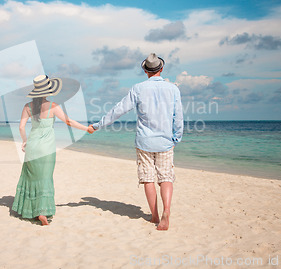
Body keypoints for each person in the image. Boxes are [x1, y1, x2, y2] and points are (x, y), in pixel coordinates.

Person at [88, 53, 183, 230]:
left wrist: (98, 125)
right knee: (166, 177)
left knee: (148, 179)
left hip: (144, 141)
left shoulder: (138, 89)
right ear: (161, 69)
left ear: (146, 71)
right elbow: (178, 117)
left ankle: (154, 215)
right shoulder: (173, 89)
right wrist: (176, 138)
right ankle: (167, 210)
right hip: (165, 142)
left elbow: (119, 110)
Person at [12, 75, 91, 225]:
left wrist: (24, 141)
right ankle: (42, 212)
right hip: (47, 149)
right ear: (47, 91)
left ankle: (32, 211)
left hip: (33, 147)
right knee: (45, 179)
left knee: (31, 178)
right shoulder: (53, 106)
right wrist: (86, 128)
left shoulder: (27, 107)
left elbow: (21, 127)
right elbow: (69, 121)